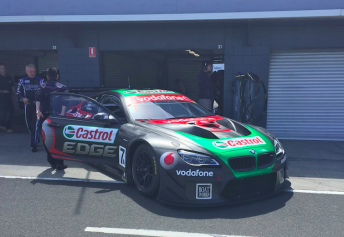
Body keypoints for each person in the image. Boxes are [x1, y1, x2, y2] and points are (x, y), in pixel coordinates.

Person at [35, 67, 68, 170]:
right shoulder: (63, 87)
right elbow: (65, 101)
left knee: (46, 138)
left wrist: (38, 111)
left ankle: (51, 160)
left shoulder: (42, 86)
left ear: (47, 76)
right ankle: (59, 162)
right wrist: (62, 113)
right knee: (59, 139)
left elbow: (38, 98)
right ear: (57, 76)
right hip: (58, 116)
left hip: (45, 116)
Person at [16, 64, 44, 152]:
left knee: (35, 124)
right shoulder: (22, 81)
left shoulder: (41, 80)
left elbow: (44, 93)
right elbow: (17, 93)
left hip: (37, 105)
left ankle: (33, 144)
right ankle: (36, 137)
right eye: (30, 72)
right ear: (26, 72)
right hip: (27, 105)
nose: (32, 73)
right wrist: (22, 98)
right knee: (29, 125)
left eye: (34, 72)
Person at [0, 63, 14, 133]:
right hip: (1, 99)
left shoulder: (9, 77)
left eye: (4, 68)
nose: (4, 70)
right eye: (2, 68)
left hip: (9, 98)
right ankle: (8, 127)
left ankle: (2, 125)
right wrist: (2, 91)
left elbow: (12, 87)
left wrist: (16, 95)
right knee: (6, 112)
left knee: (11, 111)